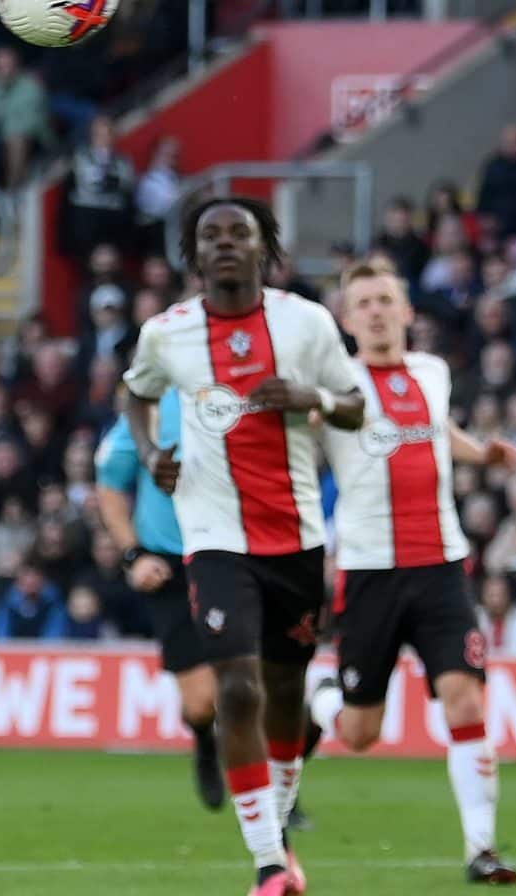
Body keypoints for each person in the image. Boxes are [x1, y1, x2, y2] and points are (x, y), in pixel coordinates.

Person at [121, 196, 365, 896]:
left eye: (240, 234)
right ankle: (266, 863)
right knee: (237, 685)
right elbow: (133, 394)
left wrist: (311, 398)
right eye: (210, 236)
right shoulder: (167, 334)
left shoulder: (307, 322)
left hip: (297, 537)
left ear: (264, 249)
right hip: (214, 537)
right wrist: (150, 452)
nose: (225, 244)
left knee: (286, 689)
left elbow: (355, 405)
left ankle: (278, 836)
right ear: (194, 256)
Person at [305, 261, 516, 885]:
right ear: (347, 321)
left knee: (465, 696)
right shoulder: (337, 383)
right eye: (363, 303)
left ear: (406, 312)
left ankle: (481, 849)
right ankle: (316, 698)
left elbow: (436, 429)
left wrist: (483, 453)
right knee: (361, 732)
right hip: (369, 571)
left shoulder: (433, 371)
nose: (375, 311)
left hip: (441, 567)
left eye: (385, 299)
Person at [95, 386, 224, 810]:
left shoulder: (235, 395)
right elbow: (110, 483)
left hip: (232, 556)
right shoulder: (151, 407)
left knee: (248, 683)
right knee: (202, 702)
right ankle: (206, 740)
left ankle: (277, 790)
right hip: (170, 565)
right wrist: (134, 556)